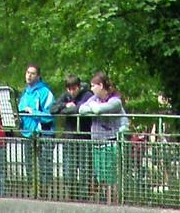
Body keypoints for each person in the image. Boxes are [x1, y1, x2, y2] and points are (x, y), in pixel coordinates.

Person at [82, 72, 127, 205]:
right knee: (101, 176)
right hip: (97, 142)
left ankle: (113, 203)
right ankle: (106, 202)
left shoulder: (115, 101)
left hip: (111, 142)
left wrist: (93, 108)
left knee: (111, 177)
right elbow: (81, 110)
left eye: (93, 86)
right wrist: (92, 107)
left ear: (101, 86)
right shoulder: (94, 100)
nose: (91, 89)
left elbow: (98, 110)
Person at [18, 64, 56, 191]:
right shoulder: (24, 94)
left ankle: (46, 192)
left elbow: (50, 115)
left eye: (32, 73)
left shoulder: (46, 93)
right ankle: (32, 190)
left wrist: (33, 112)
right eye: (27, 72)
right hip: (27, 134)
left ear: (38, 76)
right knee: (29, 166)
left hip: (43, 134)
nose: (29, 75)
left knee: (45, 167)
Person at [53, 74, 91, 199]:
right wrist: (65, 106)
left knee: (85, 168)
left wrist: (70, 108)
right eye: (69, 89)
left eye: (74, 88)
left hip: (84, 137)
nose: (71, 91)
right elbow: (52, 109)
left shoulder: (87, 95)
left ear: (79, 87)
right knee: (69, 167)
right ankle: (71, 195)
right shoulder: (66, 96)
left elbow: (81, 109)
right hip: (69, 136)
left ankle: (84, 196)